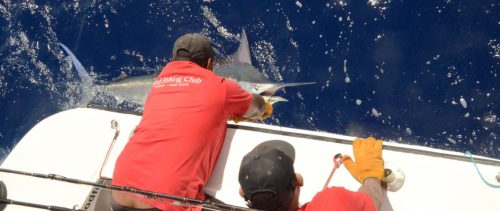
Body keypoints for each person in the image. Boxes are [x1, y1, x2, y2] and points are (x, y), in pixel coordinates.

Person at [111, 33, 273, 211]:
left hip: (118, 190)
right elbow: (255, 108)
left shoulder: (158, 85)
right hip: (166, 201)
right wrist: (261, 103)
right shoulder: (222, 87)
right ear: (210, 64)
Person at [238, 137, 385, 211]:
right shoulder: (332, 202)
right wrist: (370, 173)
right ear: (298, 180)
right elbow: (374, 197)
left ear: (242, 192)